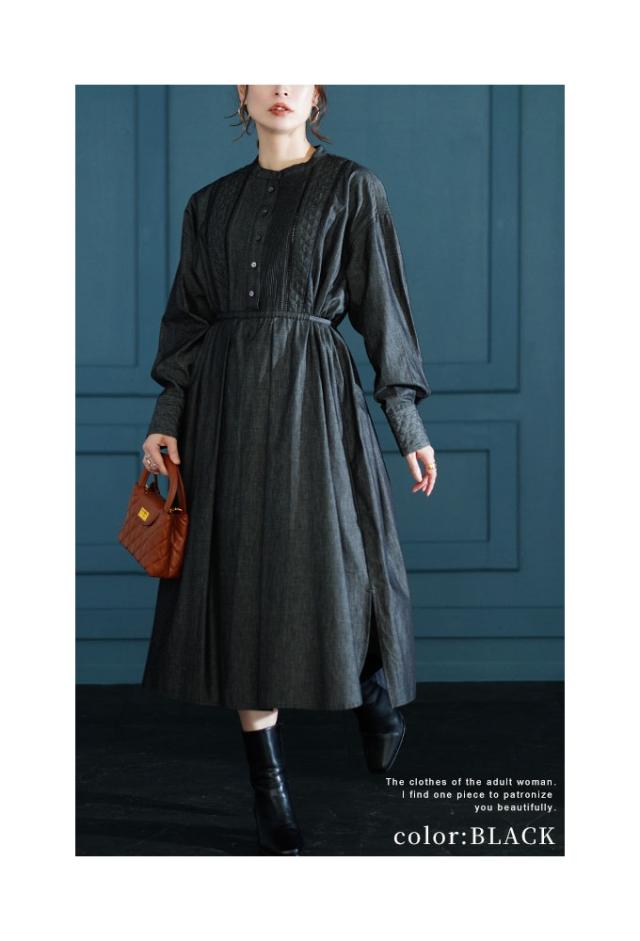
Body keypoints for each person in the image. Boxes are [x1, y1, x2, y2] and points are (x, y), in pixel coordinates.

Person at [140, 85, 438, 855]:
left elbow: (383, 308)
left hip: (315, 399)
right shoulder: (208, 205)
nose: (281, 87)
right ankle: (268, 788)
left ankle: (371, 693)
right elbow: (186, 323)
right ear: (242, 90)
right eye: (265, 71)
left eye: (298, 72)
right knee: (243, 585)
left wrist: (406, 420)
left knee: (339, 567)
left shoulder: (352, 187)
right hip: (225, 410)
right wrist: (165, 420)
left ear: (317, 93)